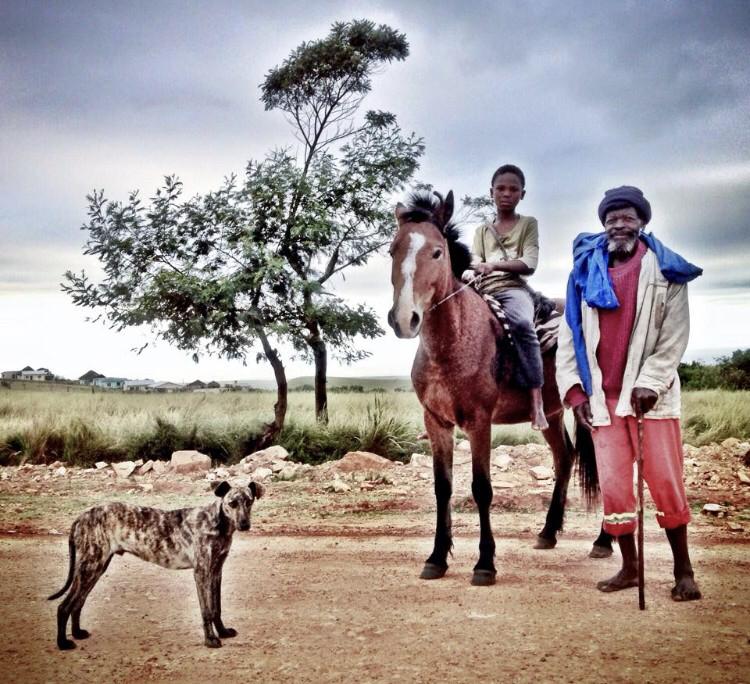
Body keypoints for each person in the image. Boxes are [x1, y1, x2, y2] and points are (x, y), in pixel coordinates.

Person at [556, 185, 702, 601]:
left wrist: (650, 382)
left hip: (648, 400)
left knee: (666, 482)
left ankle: (684, 570)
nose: (619, 224)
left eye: (627, 217)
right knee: (617, 487)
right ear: (603, 224)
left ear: (641, 222)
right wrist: (574, 393)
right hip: (601, 401)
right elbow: (571, 338)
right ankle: (629, 567)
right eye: (611, 218)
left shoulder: (666, 269)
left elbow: (674, 335)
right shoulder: (584, 271)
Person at [466, 164, 548, 430]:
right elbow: (475, 259)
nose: (506, 193)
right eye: (501, 188)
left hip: (512, 289)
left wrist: (495, 265)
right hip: (481, 289)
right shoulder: (481, 230)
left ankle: (536, 401)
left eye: (513, 189)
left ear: (522, 194)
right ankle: (440, 404)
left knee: (523, 325)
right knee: (448, 322)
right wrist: (471, 271)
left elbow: (530, 262)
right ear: (491, 192)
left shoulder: (528, 224)